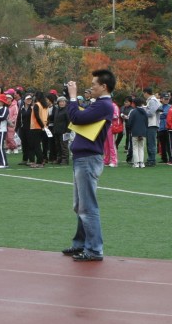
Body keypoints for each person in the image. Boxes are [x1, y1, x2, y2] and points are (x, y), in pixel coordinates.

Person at [62, 69, 116, 262]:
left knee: (87, 206)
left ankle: (94, 249)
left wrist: (73, 97)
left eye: (94, 84)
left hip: (87, 159)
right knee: (80, 205)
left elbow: (76, 117)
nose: (91, 87)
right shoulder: (100, 105)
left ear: (104, 86)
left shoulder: (104, 105)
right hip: (83, 157)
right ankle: (81, 244)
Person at [126, 96, 148, 168]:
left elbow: (130, 122)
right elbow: (146, 122)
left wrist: (130, 128)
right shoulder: (144, 112)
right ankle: (142, 163)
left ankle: (136, 163)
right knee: (141, 147)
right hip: (143, 132)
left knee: (135, 147)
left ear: (134, 104)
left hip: (135, 132)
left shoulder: (133, 111)